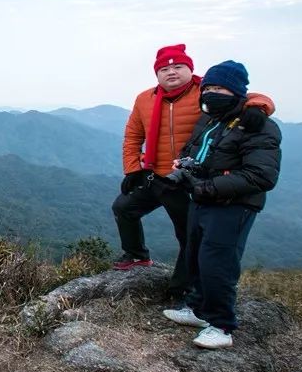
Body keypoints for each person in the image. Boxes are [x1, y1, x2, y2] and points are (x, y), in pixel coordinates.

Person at [112, 44, 275, 303]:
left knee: (189, 235)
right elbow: (133, 135)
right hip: (156, 174)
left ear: (190, 69)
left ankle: (181, 289)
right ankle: (137, 255)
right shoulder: (145, 98)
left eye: (178, 66)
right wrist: (132, 169)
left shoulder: (206, 92)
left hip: (190, 179)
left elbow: (245, 96)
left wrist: (258, 106)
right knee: (124, 207)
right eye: (164, 69)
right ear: (157, 74)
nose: (172, 72)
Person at [161, 60, 282, 349]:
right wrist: (184, 165)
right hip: (202, 198)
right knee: (196, 255)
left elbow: (261, 175)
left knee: (218, 262)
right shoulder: (211, 119)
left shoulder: (258, 124)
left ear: (237, 91)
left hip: (233, 204)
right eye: (209, 88)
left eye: (221, 88)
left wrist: (210, 186)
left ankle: (222, 326)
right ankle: (198, 309)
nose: (212, 93)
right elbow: (194, 148)